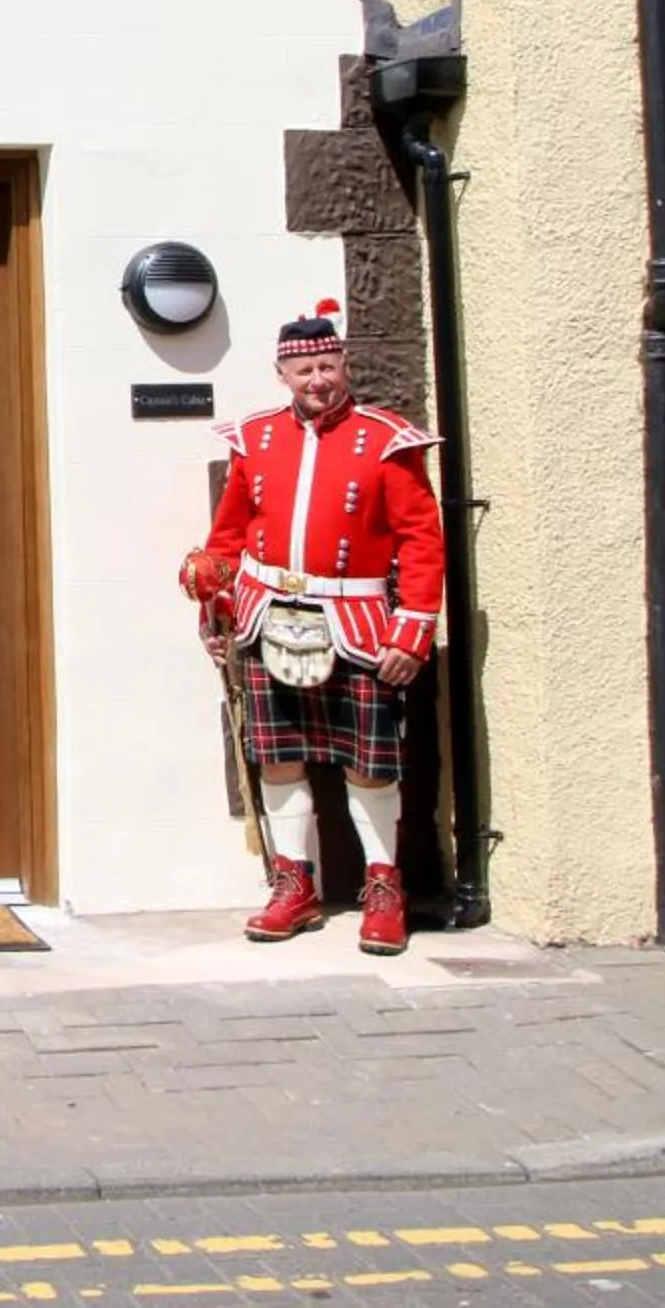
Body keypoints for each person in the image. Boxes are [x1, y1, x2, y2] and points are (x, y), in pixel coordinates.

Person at [178, 299, 442, 955]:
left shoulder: (387, 439)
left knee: (370, 763)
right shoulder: (256, 439)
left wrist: (411, 632)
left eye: (328, 365)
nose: (318, 380)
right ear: (283, 374)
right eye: (305, 371)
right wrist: (214, 603)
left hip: (356, 622)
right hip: (269, 617)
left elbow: (421, 540)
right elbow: (230, 535)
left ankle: (384, 889)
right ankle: (293, 886)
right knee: (279, 756)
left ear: (344, 364)